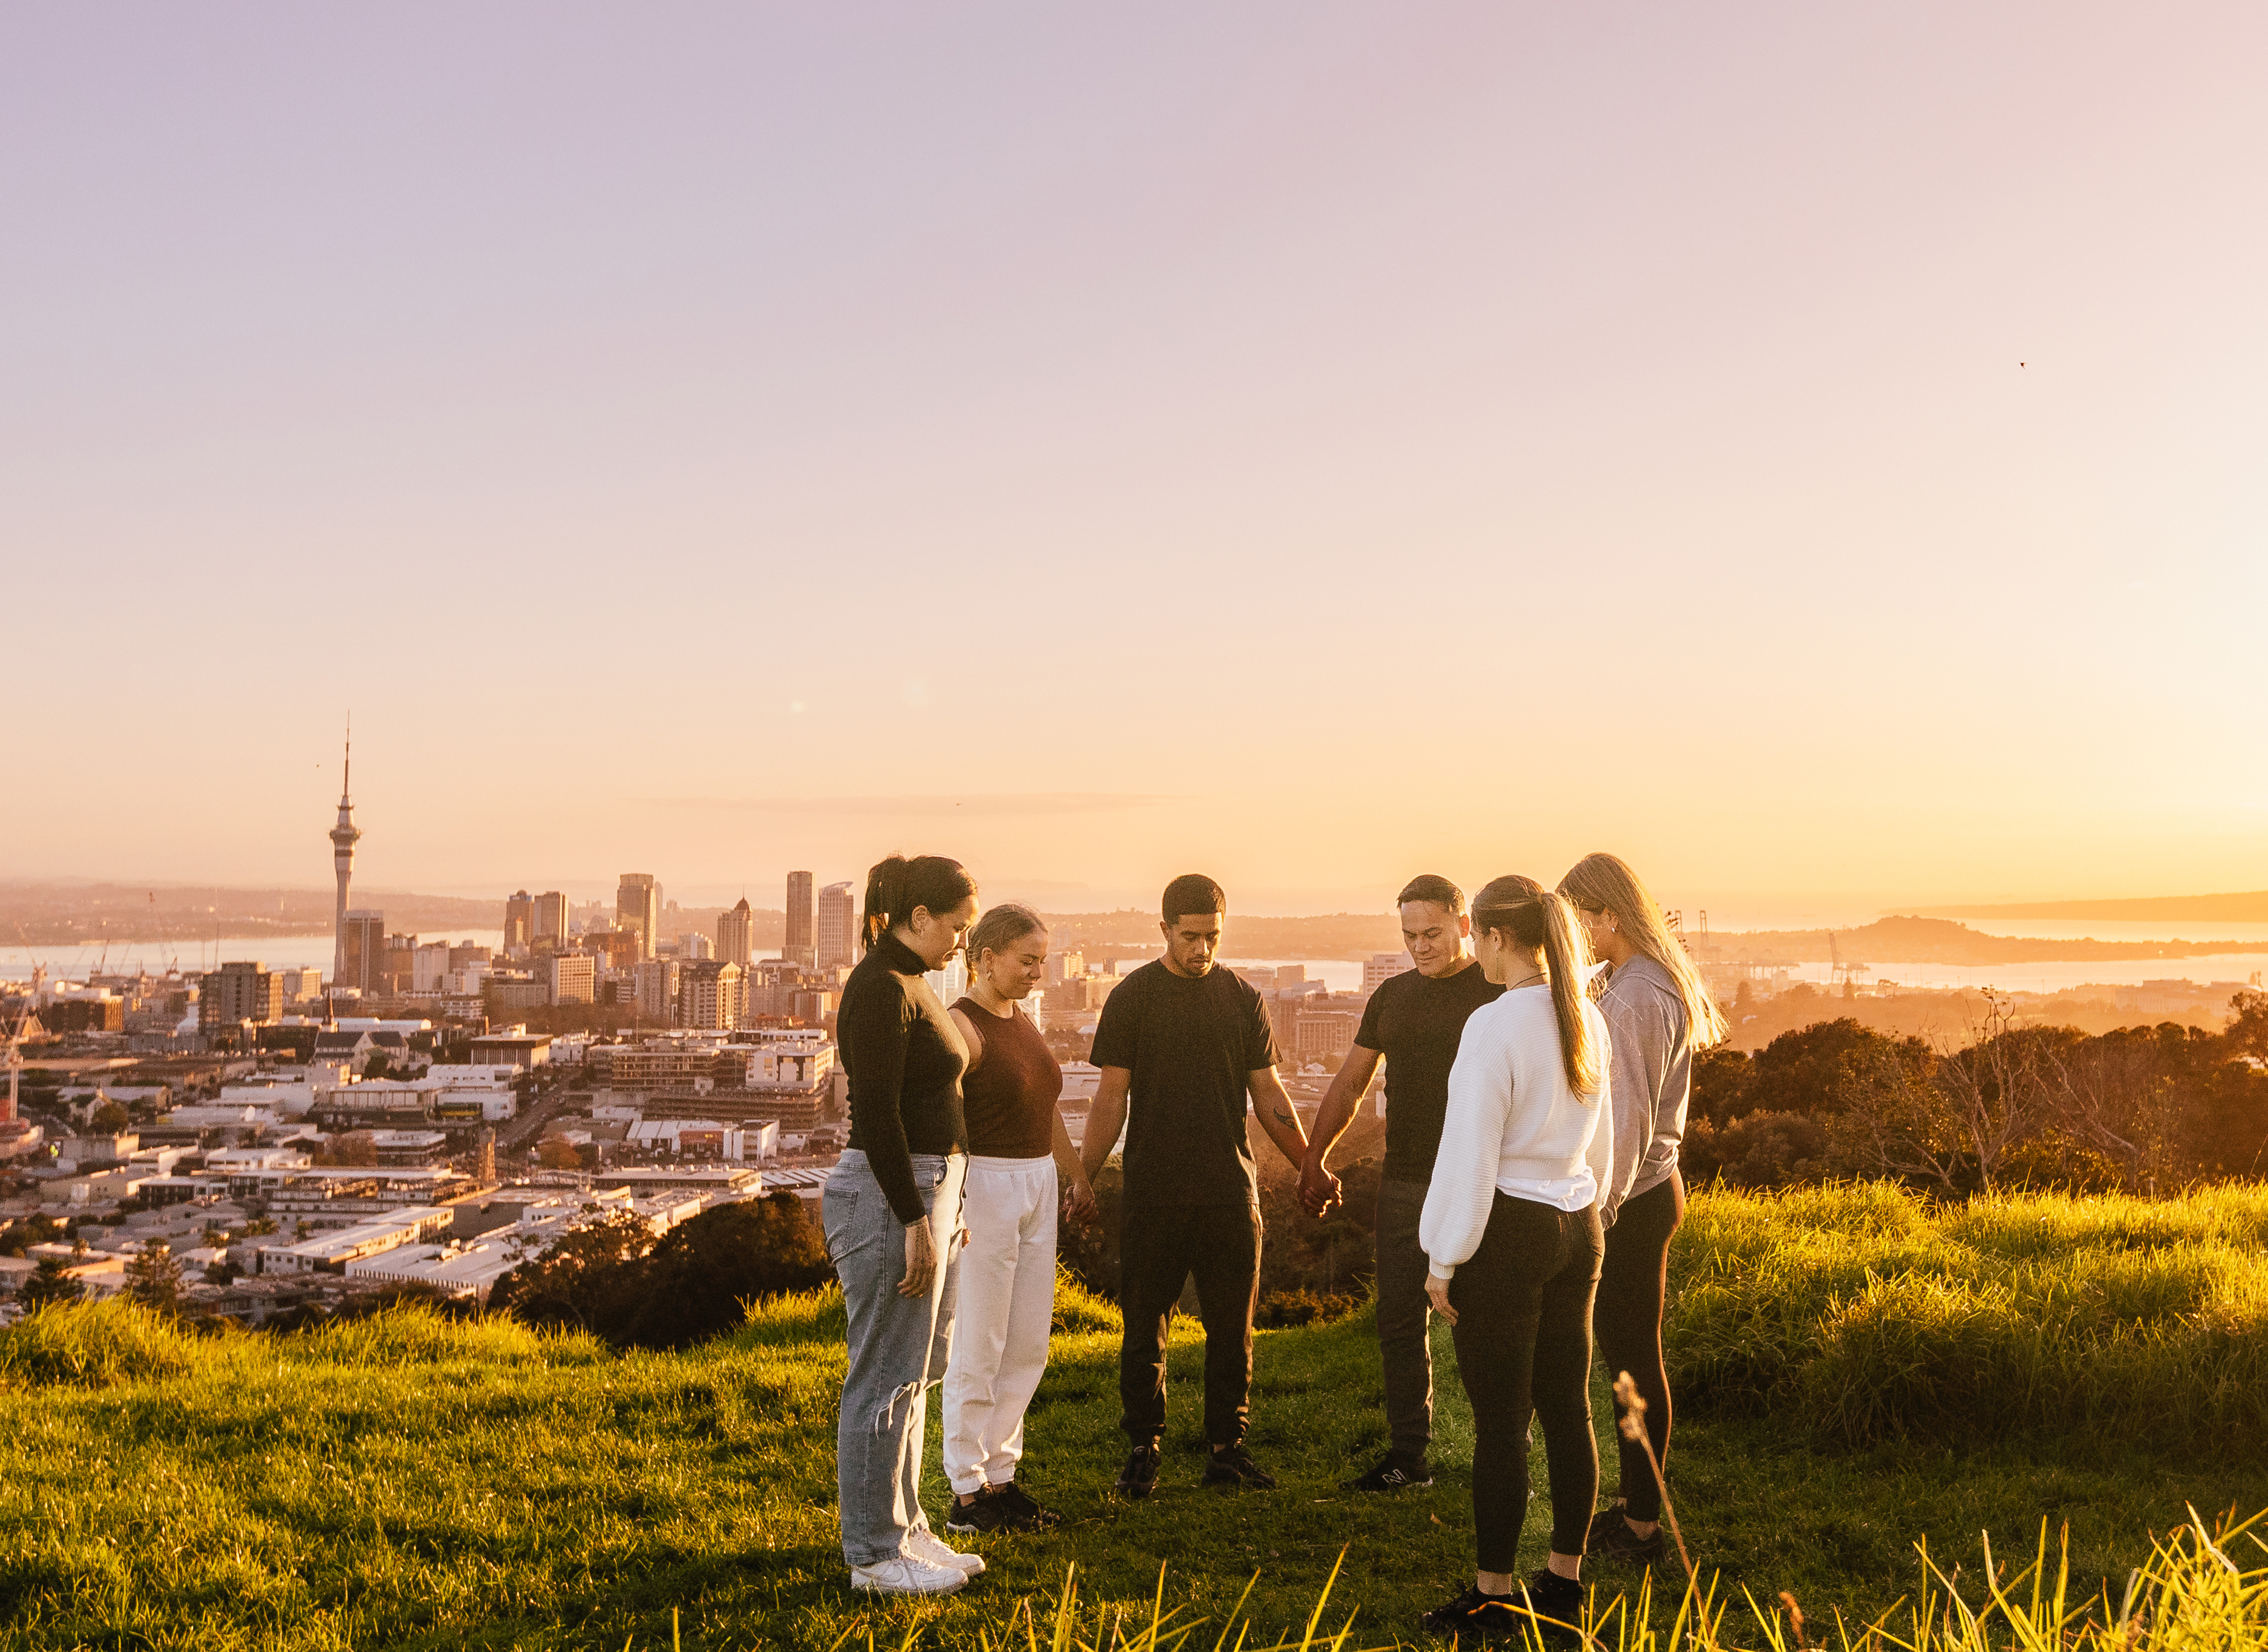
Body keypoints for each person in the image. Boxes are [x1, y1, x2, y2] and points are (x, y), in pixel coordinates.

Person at [1416, 875, 1613, 1644]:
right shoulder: (1585, 1016)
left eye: (1478, 940)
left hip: (1510, 1230)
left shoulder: (1494, 1025)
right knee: (1570, 1407)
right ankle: (1564, 1581)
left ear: (1495, 937)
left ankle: (1492, 1597)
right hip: (1579, 1220)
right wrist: (1590, 1205)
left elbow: (1470, 1151)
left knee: (1502, 1423)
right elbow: (1605, 1138)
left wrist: (1443, 1257)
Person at [1081, 872, 1313, 1498]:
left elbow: (1269, 1096)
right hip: (1152, 1190)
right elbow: (1109, 1098)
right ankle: (1142, 1446)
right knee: (1143, 1328)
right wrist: (1080, 1175)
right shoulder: (1132, 997)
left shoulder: (1242, 998)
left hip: (1228, 1192)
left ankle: (1226, 1450)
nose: (1202, 948)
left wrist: (1310, 1162)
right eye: (1190, 937)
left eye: (1212, 936)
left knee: (1231, 1329)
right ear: (1164, 929)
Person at [1298, 875, 1503, 1493]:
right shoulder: (1390, 997)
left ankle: (1501, 1451)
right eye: (1410, 935)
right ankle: (1408, 1456)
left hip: (1480, 1182)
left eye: (1433, 933)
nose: (1420, 946)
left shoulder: (1497, 992)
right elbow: (1351, 1082)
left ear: (1464, 926)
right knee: (1398, 1321)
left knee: (1483, 1319)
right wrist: (1314, 1156)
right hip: (1405, 1182)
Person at [1558, 852, 1725, 1569]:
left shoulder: (1633, 999)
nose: (1571, 934)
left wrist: (1598, 1214)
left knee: (1631, 1360)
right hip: (1657, 1188)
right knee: (1633, 1354)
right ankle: (1635, 1511)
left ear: (1608, 917)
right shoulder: (1643, 980)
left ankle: (1641, 1527)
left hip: (1632, 1198)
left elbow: (1622, 1126)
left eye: (1576, 920)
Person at [823, 853, 983, 1597]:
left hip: (930, 1188)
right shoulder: (880, 987)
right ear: (919, 918)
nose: (963, 939)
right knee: (884, 1374)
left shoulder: (914, 980)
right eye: (957, 926)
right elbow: (876, 1116)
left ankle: (907, 1529)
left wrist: (948, 1209)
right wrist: (915, 1217)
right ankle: (872, 1552)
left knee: (918, 1373)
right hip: (895, 1191)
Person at [939, 902, 1099, 1535]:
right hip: (987, 1184)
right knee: (980, 1338)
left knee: (1028, 1339)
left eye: (1042, 959)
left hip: (1036, 1180)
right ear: (985, 958)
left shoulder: (1021, 1018)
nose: (1040, 972)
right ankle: (966, 1491)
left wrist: (1075, 1173)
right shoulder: (961, 1025)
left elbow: (1046, 1104)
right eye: (1027, 960)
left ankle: (1001, 1477)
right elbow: (939, 1120)